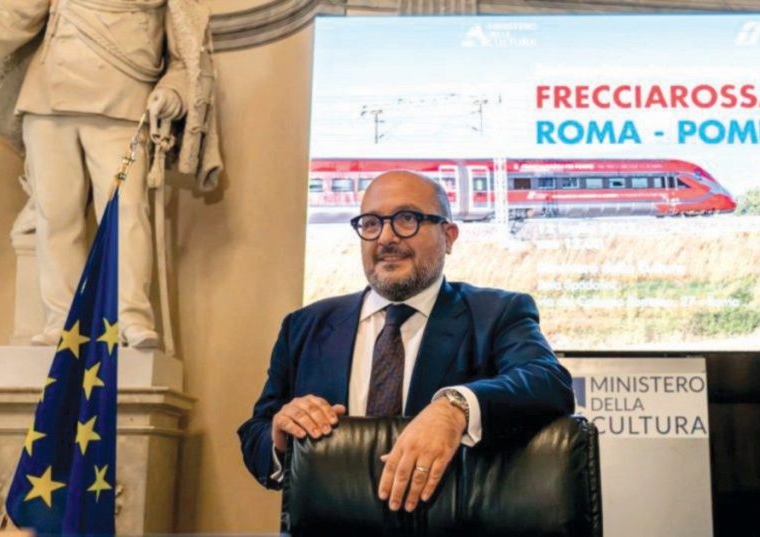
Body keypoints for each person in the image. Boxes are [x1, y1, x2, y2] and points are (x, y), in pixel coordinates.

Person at [238, 171, 574, 513]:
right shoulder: (304, 326)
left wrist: (455, 409)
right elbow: (256, 434)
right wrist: (279, 436)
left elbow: (549, 382)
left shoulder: (497, 313)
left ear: (448, 237)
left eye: (406, 219)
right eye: (371, 223)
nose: (386, 237)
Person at [0, 0, 221, 348]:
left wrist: (172, 92)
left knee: (126, 212)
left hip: (125, 103)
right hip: (48, 100)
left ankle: (130, 316)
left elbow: (183, 59)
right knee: (56, 215)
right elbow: (14, 11)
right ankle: (63, 321)